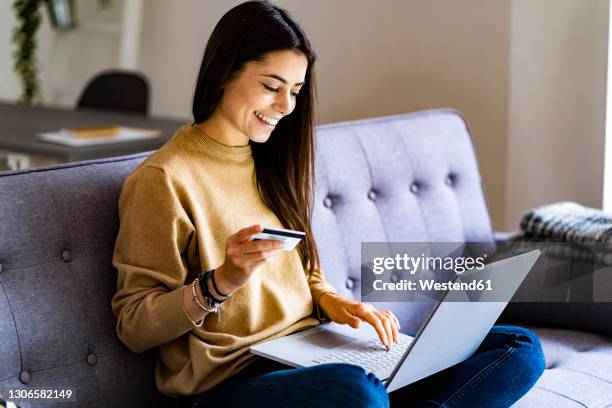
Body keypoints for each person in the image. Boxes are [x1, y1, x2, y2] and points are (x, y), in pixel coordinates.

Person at [111, 1, 545, 407]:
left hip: (309, 351)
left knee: (518, 348)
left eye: (295, 91)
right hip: (232, 381)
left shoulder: (273, 163)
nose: (285, 106)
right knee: (355, 392)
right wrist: (220, 282)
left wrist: (336, 302)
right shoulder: (163, 180)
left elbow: (305, 273)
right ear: (225, 73)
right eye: (271, 87)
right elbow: (134, 324)